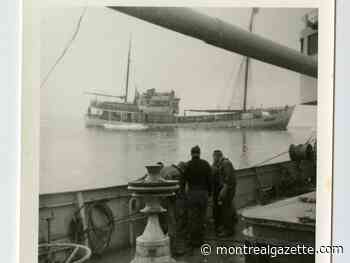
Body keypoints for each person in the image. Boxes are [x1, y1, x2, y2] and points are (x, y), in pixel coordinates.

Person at [183, 146, 212, 248]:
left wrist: (183, 194)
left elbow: (183, 181)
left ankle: (192, 240)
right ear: (200, 153)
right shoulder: (205, 164)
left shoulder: (187, 165)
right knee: (201, 217)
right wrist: (210, 193)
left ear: (191, 153)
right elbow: (210, 180)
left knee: (192, 218)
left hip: (192, 193)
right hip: (203, 193)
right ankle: (200, 240)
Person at [159, 162, 188, 255]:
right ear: (182, 170)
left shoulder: (165, 168)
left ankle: (162, 250)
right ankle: (173, 250)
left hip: (158, 200)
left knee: (162, 226)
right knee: (172, 225)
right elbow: (174, 189)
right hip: (167, 201)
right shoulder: (177, 174)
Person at [212, 150, 237, 237]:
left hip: (227, 190)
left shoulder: (226, 163)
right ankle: (227, 226)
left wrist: (223, 191)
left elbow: (228, 179)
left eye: (213, 157)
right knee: (225, 208)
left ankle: (229, 230)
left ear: (216, 156)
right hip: (226, 189)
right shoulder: (221, 163)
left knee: (226, 209)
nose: (213, 159)